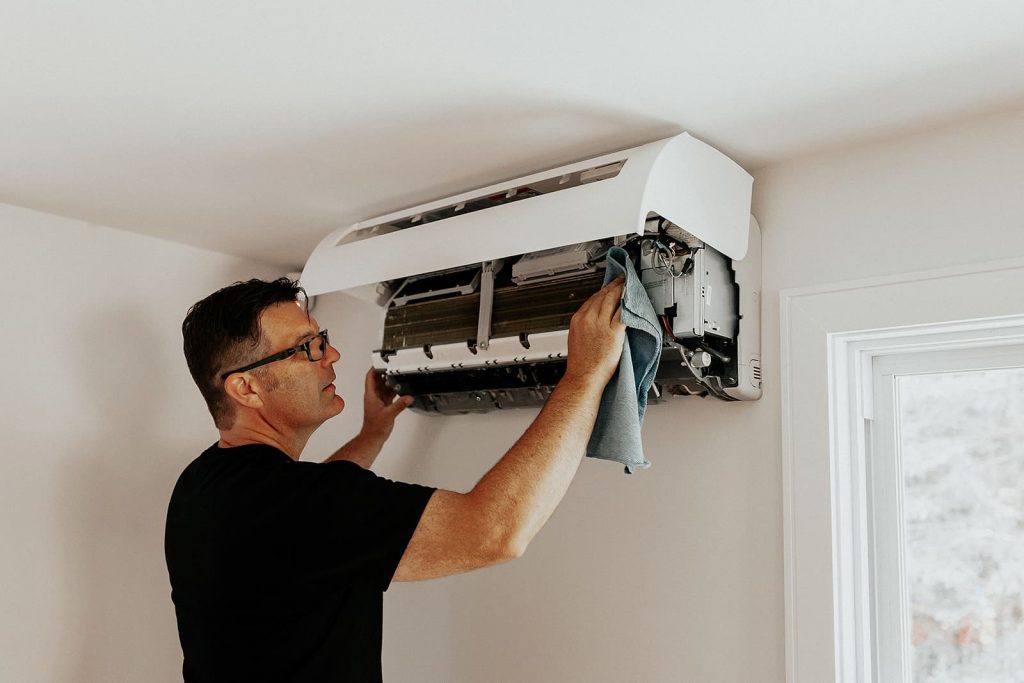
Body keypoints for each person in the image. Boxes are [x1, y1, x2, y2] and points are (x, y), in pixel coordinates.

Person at [165, 274, 625, 682]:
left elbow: (304, 524)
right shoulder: (297, 502)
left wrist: (373, 433)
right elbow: (496, 531)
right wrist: (584, 377)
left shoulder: (205, 484)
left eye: (321, 338)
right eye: (308, 348)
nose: (333, 355)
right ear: (246, 388)